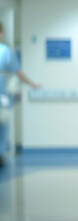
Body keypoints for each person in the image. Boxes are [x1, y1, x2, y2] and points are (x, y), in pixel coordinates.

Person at [0, 22, 40, 167]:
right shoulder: (5, 51)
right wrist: (32, 84)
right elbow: (19, 72)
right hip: (2, 96)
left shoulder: (5, 51)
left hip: (2, 95)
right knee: (2, 126)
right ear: (1, 33)